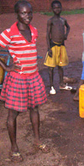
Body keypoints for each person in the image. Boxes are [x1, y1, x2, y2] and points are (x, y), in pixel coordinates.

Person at [0, 1, 50, 163]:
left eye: (29, 12)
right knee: (12, 113)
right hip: (18, 78)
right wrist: (6, 67)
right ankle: (14, 148)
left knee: (34, 108)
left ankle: (37, 140)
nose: (27, 16)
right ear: (17, 14)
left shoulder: (34, 30)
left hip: (33, 76)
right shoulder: (9, 33)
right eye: (23, 13)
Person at [44, 0, 71, 95]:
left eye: (59, 7)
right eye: (55, 8)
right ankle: (51, 86)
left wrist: (66, 35)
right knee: (51, 68)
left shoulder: (63, 20)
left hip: (61, 46)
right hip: (53, 46)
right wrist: (49, 48)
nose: (57, 9)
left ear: (61, 8)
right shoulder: (50, 21)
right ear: (52, 9)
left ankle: (61, 84)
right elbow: (47, 35)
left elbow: (68, 27)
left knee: (60, 66)